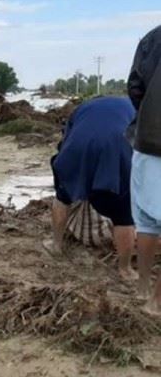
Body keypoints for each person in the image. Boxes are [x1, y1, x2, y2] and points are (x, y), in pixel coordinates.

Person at [44, 97, 136, 280]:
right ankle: (125, 269)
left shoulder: (82, 108)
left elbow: (65, 141)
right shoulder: (138, 108)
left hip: (76, 147)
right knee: (123, 214)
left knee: (63, 196)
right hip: (115, 148)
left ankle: (56, 245)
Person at [128, 25, 161, 312]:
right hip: (148, 138)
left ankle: (143, 287)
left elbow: (135, 87)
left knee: (148, 221)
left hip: (149, 139)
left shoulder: (153, 38)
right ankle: (157, 302)